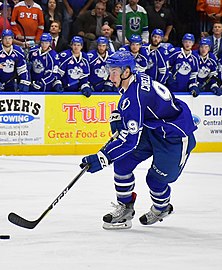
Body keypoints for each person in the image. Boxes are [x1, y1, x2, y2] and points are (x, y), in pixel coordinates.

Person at [80, 51, 197, 230]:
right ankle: (125, 209)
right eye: (109, 70)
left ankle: (161, 208)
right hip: (153, 129)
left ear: (126, 71)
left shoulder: (134, 97)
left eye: (114, 71)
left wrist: (102, 158)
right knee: (122, 164)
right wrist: (119, 116)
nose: (110, 76)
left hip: (174, 137)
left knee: (155, 181)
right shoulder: (134, 79)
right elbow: (137, 104)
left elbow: (129, 141)